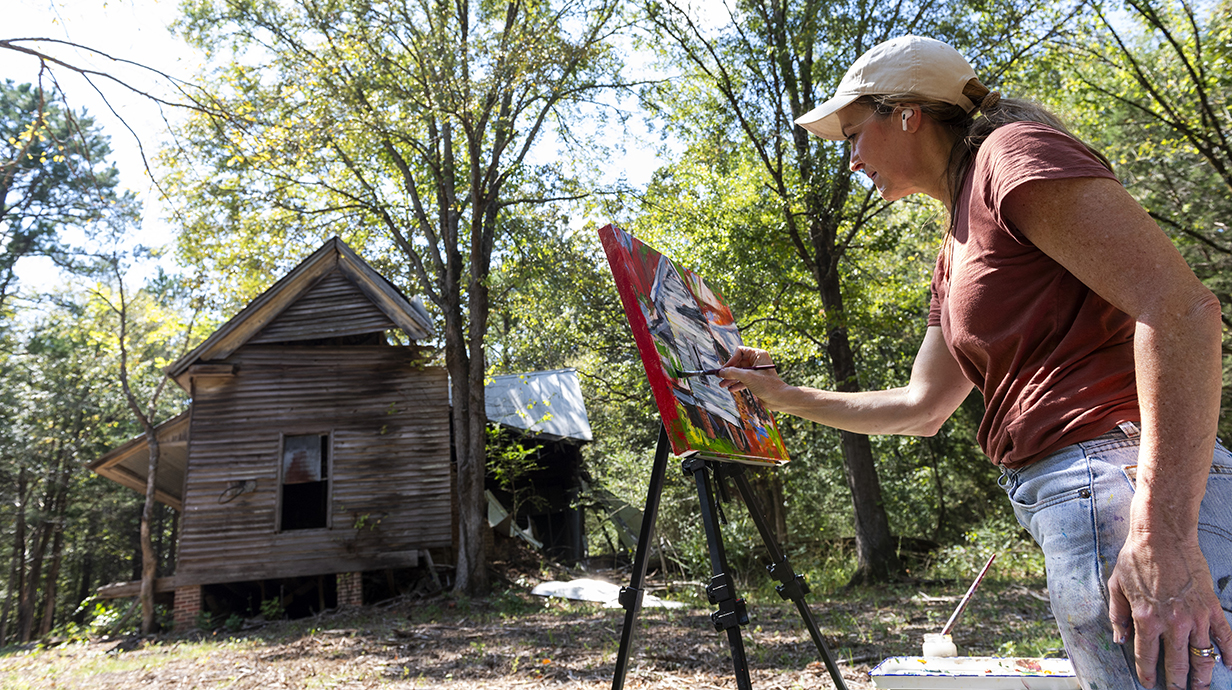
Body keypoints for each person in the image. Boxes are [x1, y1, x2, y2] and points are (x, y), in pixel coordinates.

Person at [717, 35, 1232, 690]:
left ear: (907, 113)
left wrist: (1162, 528)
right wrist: (782, 395)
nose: (850, 160)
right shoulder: (954, 243)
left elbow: (1183, 310)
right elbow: (922, 407)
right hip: (1081, 495)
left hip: (1124, 484)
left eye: (853, 134)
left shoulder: (1010, 154)